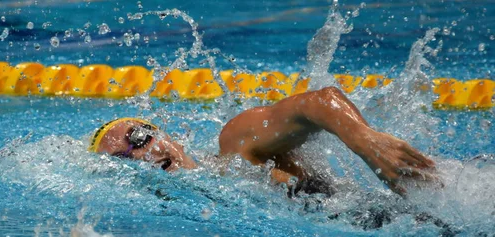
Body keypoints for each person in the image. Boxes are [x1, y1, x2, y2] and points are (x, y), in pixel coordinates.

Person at [88, 86, 437, 196]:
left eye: (140, 137)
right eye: (123, 160)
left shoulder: (237, 146)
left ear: (166, 134)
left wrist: (366, 142)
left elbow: (319, 102)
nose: (141, 156)